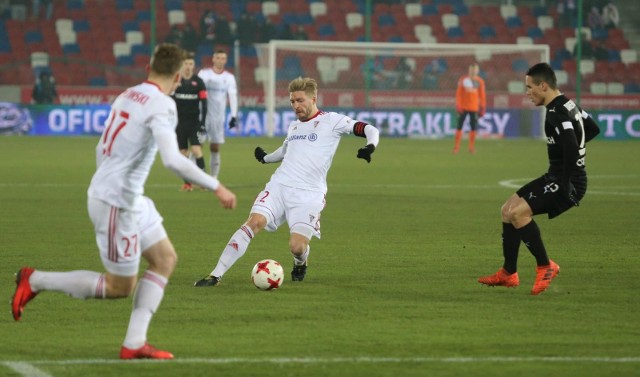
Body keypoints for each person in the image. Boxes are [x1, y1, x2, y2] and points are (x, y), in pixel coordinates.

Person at [11, 44, 237, 359]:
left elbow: (101, 149)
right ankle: (34, 279)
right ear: (176, 77)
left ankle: (134, 344)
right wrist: (217, 186)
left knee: (164, 259)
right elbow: (173, 160)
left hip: (128, 196)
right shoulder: (162, 104)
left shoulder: (128, 95)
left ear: (148, 69)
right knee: (120, 287)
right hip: (117, 201)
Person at [193, 76, 380, 287]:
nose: (295, 106)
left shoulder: (332, 121)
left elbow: (370, 129)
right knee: (253, 223)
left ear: (313, 98)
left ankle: (301, 262)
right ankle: (215, 275)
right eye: (292, 102)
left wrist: (370, 146)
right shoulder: (294, 127)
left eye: (300, 100)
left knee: (297, 247)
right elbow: (285, 150)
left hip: (309, 194)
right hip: (279, 186)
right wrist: (266, 158)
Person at [478, 62, 600, 295]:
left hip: (568, 180)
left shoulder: (555, 113)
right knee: (507, 209)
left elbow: (572, 149)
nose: (527, 93)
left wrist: (564, 182)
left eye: (529, 87)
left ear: (543, 86)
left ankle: (545, 266)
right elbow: (593, 128)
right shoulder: (567, 104)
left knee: (518, 213)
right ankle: (508, 273)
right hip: (557, 175)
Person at [197, 50, 238, 179]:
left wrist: (233, 115)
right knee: (197, 146)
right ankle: (194, 177)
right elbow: (196, 91)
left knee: (214, 147)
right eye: (218, 58)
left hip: (218, 117)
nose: (220, 60)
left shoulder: (229, 77)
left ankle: (213, 178)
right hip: (202, 116)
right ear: (213, 59)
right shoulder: (204, 74)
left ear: (225, 61)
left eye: (223, 58)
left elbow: (232, 96)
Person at [171, 51, 208, 191]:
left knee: (197, 149)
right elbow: (170, 102)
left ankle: (203, 181)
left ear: (194, 66)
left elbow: (204, 105)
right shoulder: (176, 82)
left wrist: (203, 122)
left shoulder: (199, 82)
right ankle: (187, 183)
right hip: (179, 123)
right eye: (185, 63)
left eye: (190, 64)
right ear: (182, 65)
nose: (188, 66)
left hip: (194, 123)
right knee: (183, 153)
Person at [453, 63, 485, 154]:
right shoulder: (463, 80)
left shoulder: (480, 81)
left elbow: (482, 96)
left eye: (475, 69)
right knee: (459, 126)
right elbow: (458, 94)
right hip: (463, 107)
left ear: (477, 71)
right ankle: (456, 147)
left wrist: (482, 107)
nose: (473, 71)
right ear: (469, 70)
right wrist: (458, 105)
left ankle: (471, 147)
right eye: (471, 69)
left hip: (474, 108)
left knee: (473, 128)